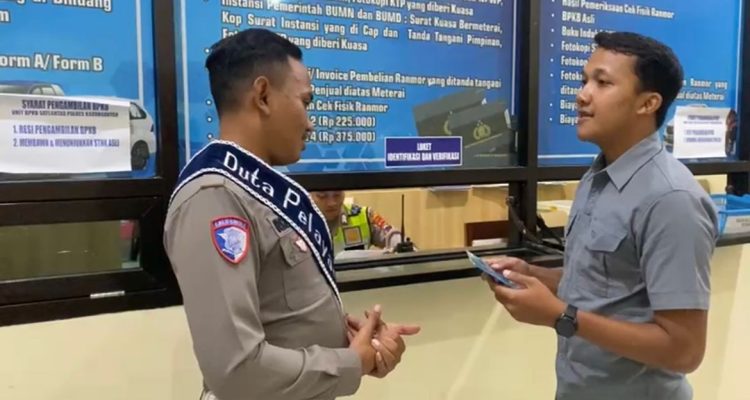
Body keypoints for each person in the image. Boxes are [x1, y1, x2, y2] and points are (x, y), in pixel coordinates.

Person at [163, 28, 420, 400]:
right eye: (306, 101)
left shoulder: (258, 193)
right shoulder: (215, 198)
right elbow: (237, 370)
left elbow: (285, 320)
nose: (310, 122)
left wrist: (354, 342)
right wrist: (351, 364)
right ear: (263, 96)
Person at [484, 32, 717, 400]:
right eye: (584, 80)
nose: (582, 95)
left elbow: (684, 350)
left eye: (603, 83)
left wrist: (560, 316)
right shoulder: (597, 178)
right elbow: (607, 285)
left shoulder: (672, 200)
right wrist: (534, 275)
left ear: (648, 103)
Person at [311, 190, 409, 255]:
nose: (332, 203)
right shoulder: (303, 223)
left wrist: (402, 246)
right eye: (322, 196)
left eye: (337, 195)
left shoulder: (364, 215)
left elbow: (390, 234)